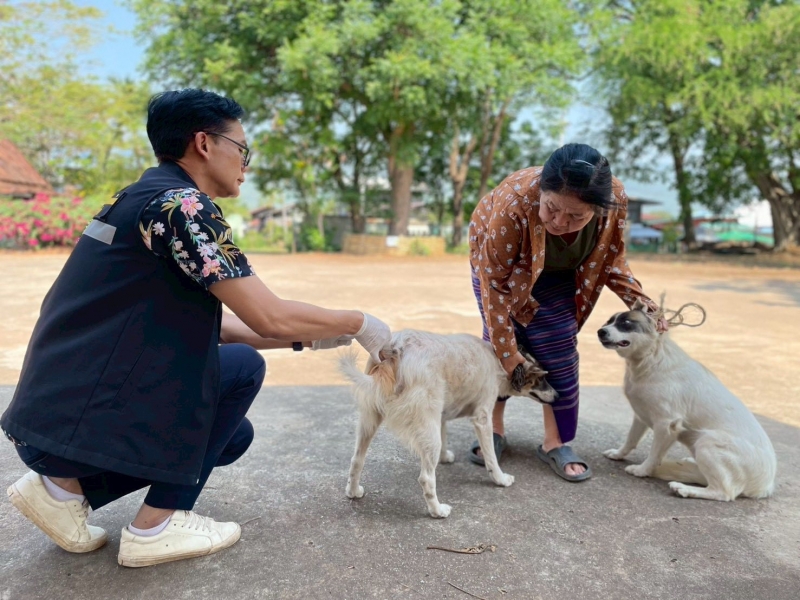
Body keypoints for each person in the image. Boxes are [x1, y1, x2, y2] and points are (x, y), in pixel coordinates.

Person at [1, 89, 391, 568]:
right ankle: (155, 527)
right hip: (77, 421)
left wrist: (310, 337)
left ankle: (63, 492)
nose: (245, 165)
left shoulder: (137, 197)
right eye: (242, 149)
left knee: (232, 435)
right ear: (204, 143)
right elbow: (267, 315)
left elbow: (223, 326)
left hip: (53, 419)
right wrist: (360, 322)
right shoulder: (184, 207)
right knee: (242, 369)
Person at [467, 143, 667, 481]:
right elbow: (495, 285)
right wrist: (508, 351)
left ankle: (554, 441)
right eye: (551, 208)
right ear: (541, 192)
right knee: (499, 350)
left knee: (559, 352)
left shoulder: (614, 199)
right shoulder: (515, 201)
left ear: (597, 209)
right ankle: (493, 430)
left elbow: (611, 259)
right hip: (499, 273)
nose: (560, 222)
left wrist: (643, 302)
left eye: (576, 216)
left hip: (562, 274)